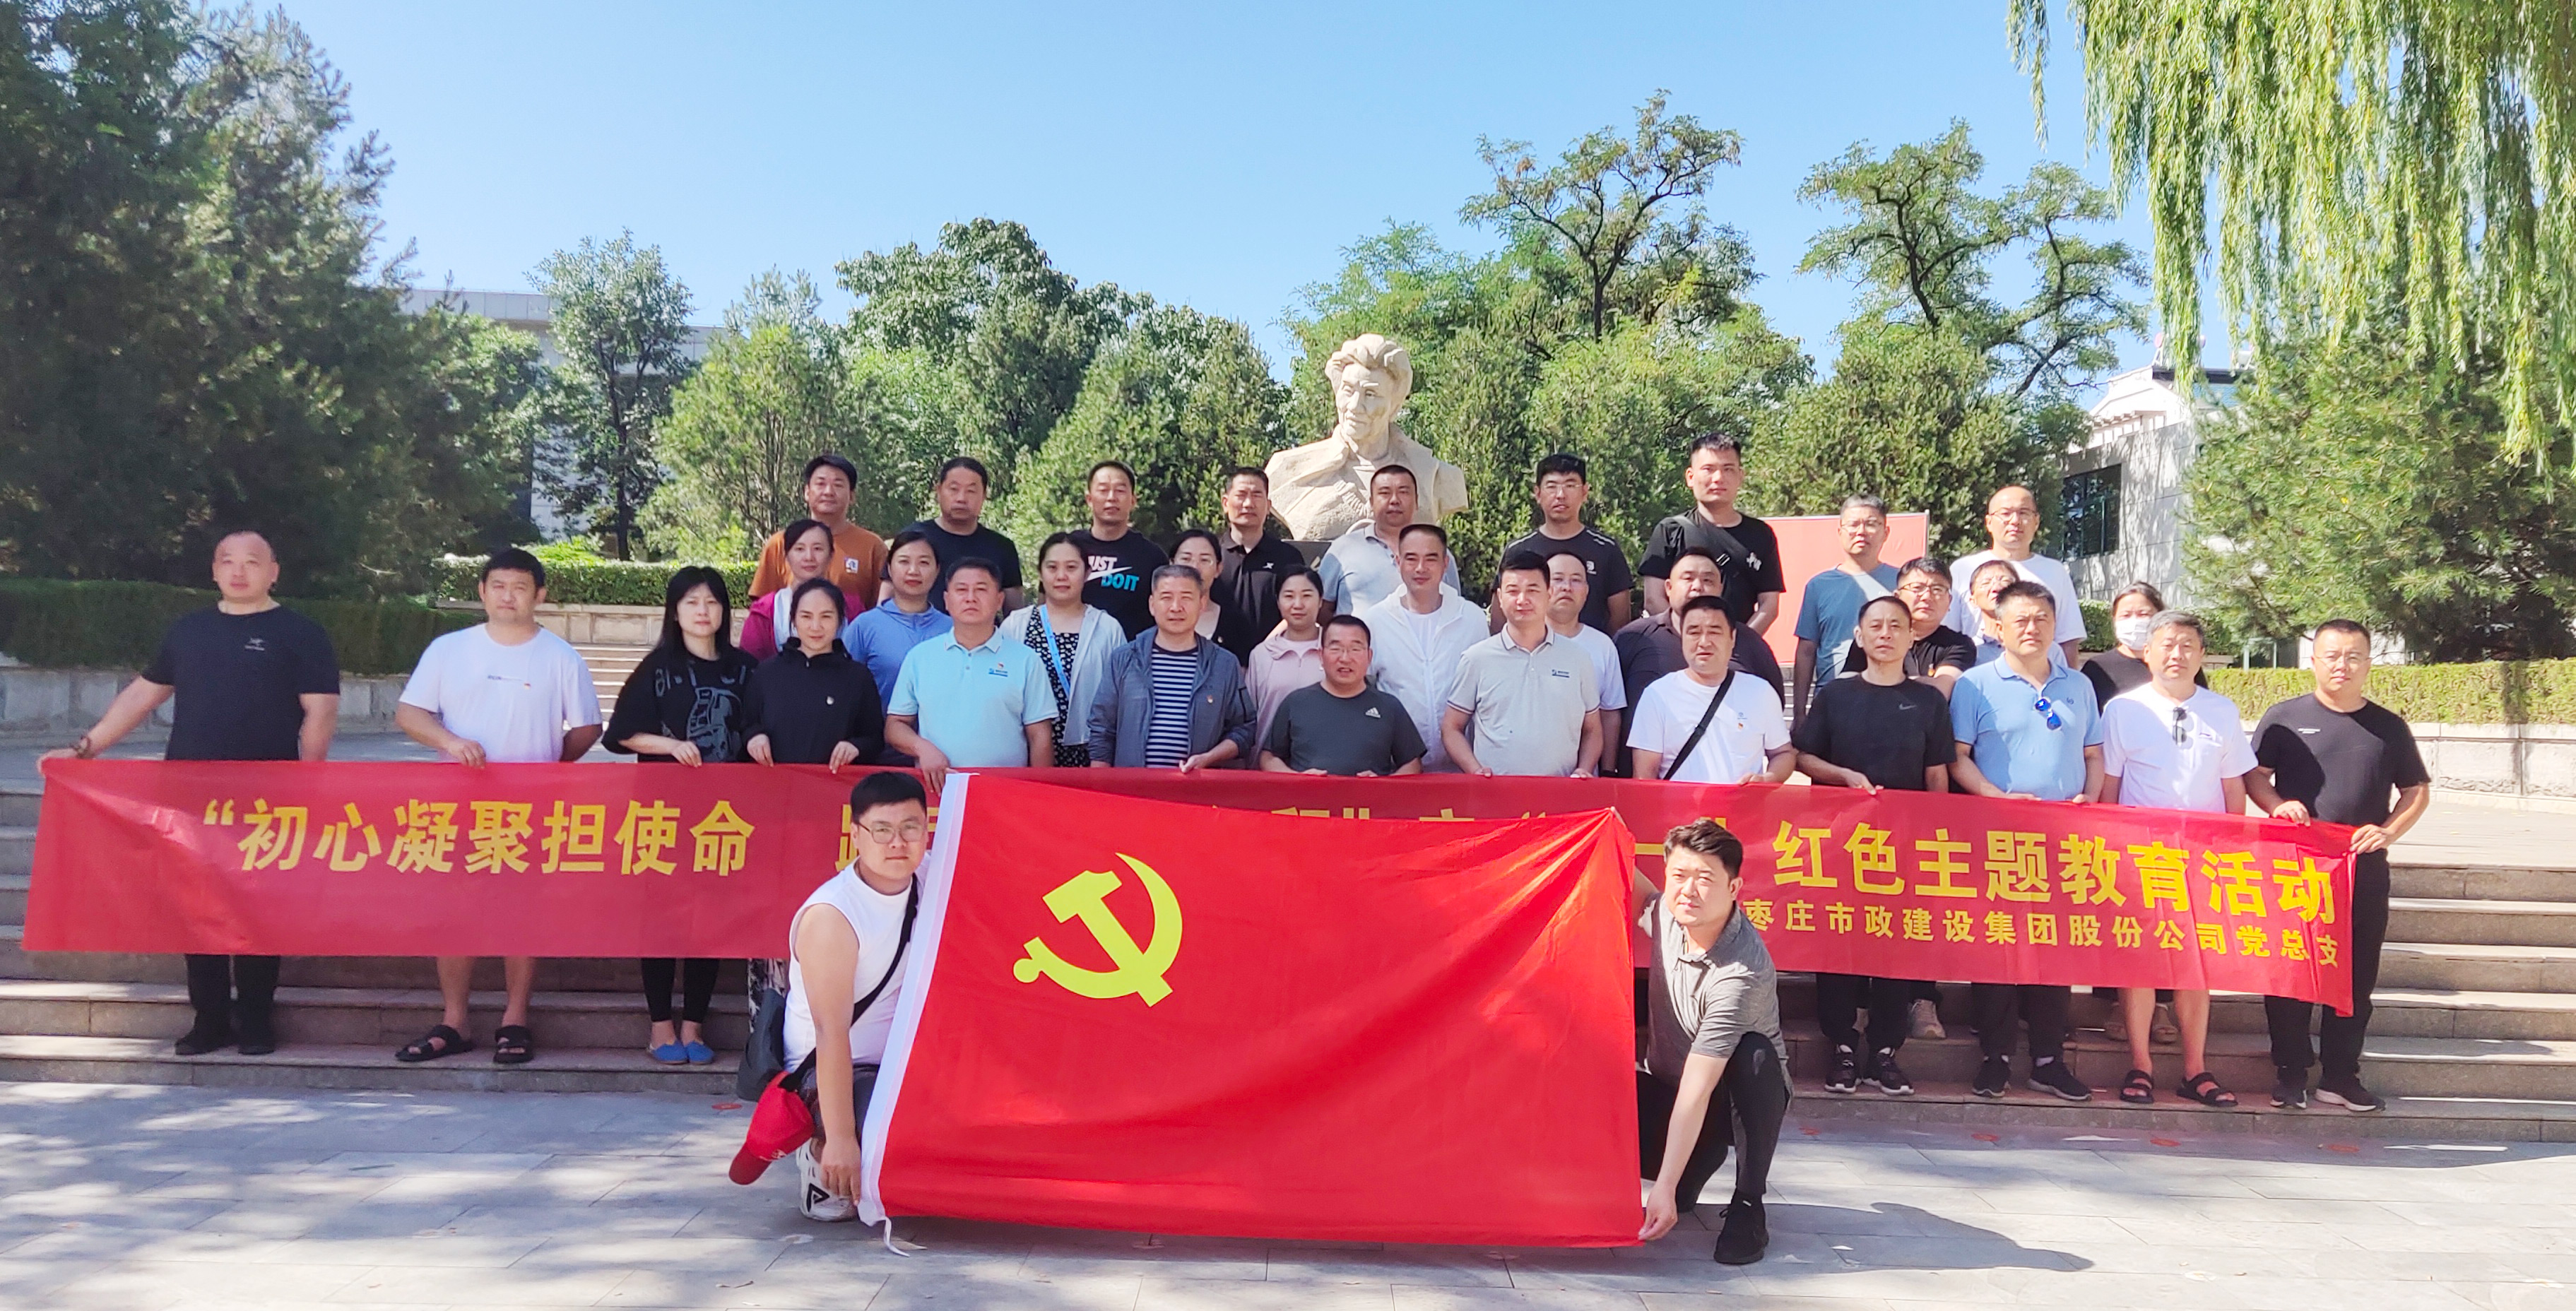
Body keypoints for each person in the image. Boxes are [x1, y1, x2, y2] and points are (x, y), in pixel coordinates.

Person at [48, 530, 338, 1057]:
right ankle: (209, 1019)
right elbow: (142, 695)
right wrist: (85, 748)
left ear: (274, 572)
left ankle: (255, 1018)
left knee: (257, 907)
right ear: (214, 570)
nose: (239, 571)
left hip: (266, 795)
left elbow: (319, 712)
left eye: (252, 562)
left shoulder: (300, 633)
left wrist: (309, 780)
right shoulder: (189, 630)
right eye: (228, 561)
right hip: (188, 796)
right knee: (195, 907)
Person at [392, 549, 603, 1067]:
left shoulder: (561, 657)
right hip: (457, 803)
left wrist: (549, 765)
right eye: (499, 586)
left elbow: (586, 728)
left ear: (540, 595)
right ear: (483, 592)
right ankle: (454, 1021)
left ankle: (515, 1019)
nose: (509, 596)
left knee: (522, 912)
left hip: (529, 807)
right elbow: (410, 712)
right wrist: (450, 741)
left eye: (521, 587)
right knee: (454, 911)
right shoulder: (449, 650)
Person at [2247, 619, 2430, 1114]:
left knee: (2355, 975)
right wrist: (2277, 805)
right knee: (2290, 970)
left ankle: (2341, 1075)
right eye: (2332, 656)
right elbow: (2255, 776)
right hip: (2295, 867)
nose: (2342, 666)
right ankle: (2290, 1072)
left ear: (2368, 664)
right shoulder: (2285, 718)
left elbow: (2415, 791)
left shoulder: (2388, 727)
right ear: (2314, 661)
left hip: (2361, 867)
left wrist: (2388, 832)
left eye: (2353, 657)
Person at [1947, 581, 2102, 1101]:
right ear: (1997, 628)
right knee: (1997, 947)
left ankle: (2048, 1059)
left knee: (2054, 950)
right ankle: (1995, 1056)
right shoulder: (1975, 684)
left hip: (2065, 840)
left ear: (2056, 625)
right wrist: (1996, 797)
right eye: (2020, 620)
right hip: (1998, 835)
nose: (2032, 628)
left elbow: (2094, 755)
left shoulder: (2078, 684)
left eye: (2042, 619)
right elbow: (1958, 757)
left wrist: (2090, 798)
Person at [1792, 593, 1951, 1098]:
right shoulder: (1837, 694)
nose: (1885, 634)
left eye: (1896, 626)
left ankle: (1885, 1050)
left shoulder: (1928, 701)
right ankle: (1842, 1045)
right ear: (1859, 636)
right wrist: (1843, 776)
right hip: (1841, 843)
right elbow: (1803, 758)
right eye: (1875, 626)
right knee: (1839, 943)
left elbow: (1937, 776)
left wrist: (1935, 838)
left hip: (1904, 846)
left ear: (1911, 636)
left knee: (1894, 948)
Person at [2098, 610, 2254, 1109]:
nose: (2177, 654)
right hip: (2139, 855)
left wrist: (2233, 848)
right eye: (2166, 644)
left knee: (2195, 964)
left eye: (2187, 645)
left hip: (2203, 857)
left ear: (2202, 655)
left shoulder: (2222, 711)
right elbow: (2110, 784)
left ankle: (2195, 1069)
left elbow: (2233, 785)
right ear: (2147, 653)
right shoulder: (2123, 710)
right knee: (2140, 961)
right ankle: (2140, 1065)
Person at [605, 568, 758, 1066]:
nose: (702, 611)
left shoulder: (744, 668)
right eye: (691, 602)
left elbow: (759, 726)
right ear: (675, 611)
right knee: (662, 920)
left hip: (723, 818)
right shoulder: (657, 667)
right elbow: (621, 733)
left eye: (711, 602)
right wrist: (670, 746)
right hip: (664, 815)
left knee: (708, 920)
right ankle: (660, 1027)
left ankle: (694, 1025)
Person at [770, 770, 929, 1223]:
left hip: (907, 1055)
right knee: (892, 1132)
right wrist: (841, 1139)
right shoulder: (833, 916)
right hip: (836, 1065)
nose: (897, 842)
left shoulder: (931, 874)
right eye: (881, 830)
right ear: (856, 835)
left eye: (911, 828)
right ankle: (820, 1149)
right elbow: (830, 1032)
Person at [1633, 819, 1786, 1266]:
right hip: (1669, 1087)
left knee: (1754, 1057)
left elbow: (1698, 1091)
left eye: (1705, 879)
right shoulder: (1666, 913)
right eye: (1679, 876)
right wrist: (1610, 830)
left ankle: (1748, 1204)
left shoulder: (1741, 972)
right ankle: (1694, 1164)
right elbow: (1620, 869)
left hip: (1725, 1101)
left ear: (1734, 887)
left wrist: (1661, 1188)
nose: (1688, 891)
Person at [884, 560, 1056, 794]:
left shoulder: (1026, 660)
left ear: (999, 600)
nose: (971, 598)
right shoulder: (920, 657)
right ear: (947, 600)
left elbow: (1040, 737)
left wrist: (1040, 793)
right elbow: (895, 725)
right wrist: (922, 749)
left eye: (981, 589)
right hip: (938, 793)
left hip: (1005, 793)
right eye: (961, 590)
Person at [1636, 432, 1785, 693]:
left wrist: (1732, 643)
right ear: (1690, 477)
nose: (1718, 478)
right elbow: (1653, 598)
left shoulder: (1761, 535)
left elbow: (1769, 605)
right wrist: (1689, 642)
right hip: (1676, 656)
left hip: (1738, 659)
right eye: (1709, 469)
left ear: (1741, 476)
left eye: (1728, 469)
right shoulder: (1670, 530)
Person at [1442, 552, 1602, 778]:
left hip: (1562, 793)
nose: (1522, 600)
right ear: (1500, 597)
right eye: (1513, 591)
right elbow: (1451, 727)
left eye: (1532, 590)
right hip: (1496, 794)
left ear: (1549, 593)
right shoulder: (1476, 659)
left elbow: (1593, 729)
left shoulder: (1578, 658)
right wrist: (1475, 770)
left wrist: (1584, 769)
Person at [1087, 564, 1257, 771]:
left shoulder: (1224, 664)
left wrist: (1209, 758)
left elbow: (1244, 729)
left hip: (1195, 786)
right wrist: (1100, 782)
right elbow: (1102, 729)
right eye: (1166, 598)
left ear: (1202, 604)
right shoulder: (1124, 659)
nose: (1176, 607)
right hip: (1132, 786)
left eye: (1186, 598)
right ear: (1152, 605)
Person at [1357, 524, 1487, 773]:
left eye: (1431, 559)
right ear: (1398, 562)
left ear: (1445, 564)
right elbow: (1362, 689)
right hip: (1397, 768)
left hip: (1464, 768)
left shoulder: (1472, 619)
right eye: (1411, 558)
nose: (1420, 568)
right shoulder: (1375, 621)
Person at [1627, 598, 1794, 785]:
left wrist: (1768, 779)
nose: (1704, 642)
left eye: (1714, 632)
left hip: (1743, 804)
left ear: (1732, 638)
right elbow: (1644, 775)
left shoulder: (1761, 692)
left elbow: (1783, 753)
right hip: (1680, 804)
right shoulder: (1657, 695)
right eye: (1694, 632)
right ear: (1682, 638)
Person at [1001, 534, 1123, 767]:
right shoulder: (1016, 625)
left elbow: (1119, 697)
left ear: (1087, 573)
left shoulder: (1107, 628)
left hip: (1090, 753)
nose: (1061, 576)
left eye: (1071, 568)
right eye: (1052, 567)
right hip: (1025, 749)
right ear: (1040, 573)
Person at [745, 577, 885, 773]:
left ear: (840, 620)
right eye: (806, 616)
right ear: (793, 619)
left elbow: (874, 739)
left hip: (833, 787)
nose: (816, 626)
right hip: (774, 785)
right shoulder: (766, 673)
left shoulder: (858, 678)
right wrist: (754, 737)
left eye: (826, 616)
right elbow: (746, 725)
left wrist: (856, 747)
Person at [1260, 615, 1426, 776]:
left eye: (1355, 649)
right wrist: (1299, 780)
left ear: (1369, 657)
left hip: (1369, 796)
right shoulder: (1296, 703)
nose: (1345, 658)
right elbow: (1269, 757)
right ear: (1321, 655)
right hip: (1311, 796)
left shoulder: (1389, 706)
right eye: (1336, 649)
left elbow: (1413, 763)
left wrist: (1382, 785)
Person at [1614, 547, 1725, 776]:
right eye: (1688, 578)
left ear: (1720, 589)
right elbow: (1608, 710)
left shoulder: (1746, 643)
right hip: (1641, 784)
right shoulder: (1632, 638)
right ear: (1669, 588)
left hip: (1727, 791)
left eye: (1708, 580)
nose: (1698, 587)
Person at [1945, 485, 2084, 665]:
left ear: (2036, 521)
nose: (2015, 521)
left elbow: (2068, 640)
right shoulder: (1962, 569)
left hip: (2040, 674)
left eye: (2024, 513)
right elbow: (1948, 633)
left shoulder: (2055, 572)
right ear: (1989, 522)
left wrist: (2069, 679)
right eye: (2005, 513)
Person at [1791, 495, 1897, 724]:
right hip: (1831, 701)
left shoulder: (1902, 582)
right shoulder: (1819, 586)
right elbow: (1807, 650)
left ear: (1886, 532)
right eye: (1853, 524)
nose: (1861, 532)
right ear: (1840, 532)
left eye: (1871, 524)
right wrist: (1799, 713)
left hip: (1890, 699)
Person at [1499, 453, 1633, 634]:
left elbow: (1620, 621)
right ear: (1538, 493)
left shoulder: (1606, 550)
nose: (1560, 495)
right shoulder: (1519, 550)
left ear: (1585, 492)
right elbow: (1500, 618)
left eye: (1570, 486)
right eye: (1551, 486)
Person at [749, 454, 886, 609]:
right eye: (821, 484)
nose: (828, 492)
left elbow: (884, 607)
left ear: (852, 495)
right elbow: (762, 608)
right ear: (807, 492)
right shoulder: (780, 543)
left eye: (838, 485)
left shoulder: (872, 547)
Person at [1318, 463, 1458, 615]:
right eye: (1385, 493)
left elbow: (1453, 606)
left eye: (1403, 492)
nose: (1394, 500)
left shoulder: (1438, 554)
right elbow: (1321, 609)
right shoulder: (1343, 549)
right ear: (1371, 502)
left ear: (1416, 501)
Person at [840, 530, 952, 714]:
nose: (913, 571)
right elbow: (844, 689)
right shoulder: (865, 626)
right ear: (890, 569)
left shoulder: (952, 629)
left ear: (937, 570)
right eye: (904, 562)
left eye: (924, 563)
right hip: (878, 730)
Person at [1838, 557, 1977, 699]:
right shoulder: (1876, 637)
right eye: (1917, 588)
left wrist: (1878, 682)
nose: (1927, 597)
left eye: (1937, 589)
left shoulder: (1958, 645)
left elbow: (1940, 691)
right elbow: (1845, 687)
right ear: (1897, 597)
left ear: (1949, 601)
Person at [900, 456, 1024, 612]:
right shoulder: (912, 539)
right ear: (938, 491)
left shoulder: (1002, 547)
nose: (961, 498)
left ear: (984, 496)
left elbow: (1014, 613)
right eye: (954, 489)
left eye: (971, 491)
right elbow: (886, 600)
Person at [1212, 466, 1308, 663]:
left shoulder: (1287, 557)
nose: (1249, 503)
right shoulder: (1211, 554)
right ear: (1225, 503)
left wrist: (1263, 655)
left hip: (1275, 662)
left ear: (1268, 505)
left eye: (1257, 495)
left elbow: (1298, 610)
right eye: (1241, 495)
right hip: (1214, 664)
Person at [740, 520, 864, 663]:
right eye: (799, 549)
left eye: (818, 549)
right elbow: (750, 664)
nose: (809, 557)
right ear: (786, 556)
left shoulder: (853, 609)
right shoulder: (766, 611)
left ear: (831, 555)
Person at [1070, 461, 1169, 638]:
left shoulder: (1152, 557)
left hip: (1132, 651)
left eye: (1120, 490)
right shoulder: (1069, 548)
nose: (1111, 498)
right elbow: (1047, 602)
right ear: (1089, 499)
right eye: (1103, 490)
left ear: (1133, 501)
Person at [1547, 550, 1629, 760]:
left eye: (1576, 580)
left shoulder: (1602, 646)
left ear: (1586, 591)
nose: (1566, 587)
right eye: (1558, 579)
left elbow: (1610, 714)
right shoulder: (1524, 644)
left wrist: (1608, 770)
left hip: (1586, 772)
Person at [2082, 581, 2206, 706]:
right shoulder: (2097, 668)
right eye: (2126, 615)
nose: (2134, 621)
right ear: (2114, 619)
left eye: (2143, 614)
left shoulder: (2178, 664)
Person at [1246, 567, 1327, 749]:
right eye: (1289, 596)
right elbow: (1249, 717)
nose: (1298, 604)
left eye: (1307, 596)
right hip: (1267, 761)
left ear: (1321, 600)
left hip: (1325, 760)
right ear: (1278, 601)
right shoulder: (1262, 654)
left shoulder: (1335, 650)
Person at [1169, 528, 1230, 646]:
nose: (1195, 568)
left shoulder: (1235, 623)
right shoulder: (1153, 616)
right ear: (1172, 564)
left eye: (1204, 560)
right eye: (1186, 559)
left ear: (1218, 569)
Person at [1960, 558, 2021, 667]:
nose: (1996, 588)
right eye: (1986, 583)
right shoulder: (1966, 651)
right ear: (1973, 600)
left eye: (2005, 581)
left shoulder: (2041, 644)